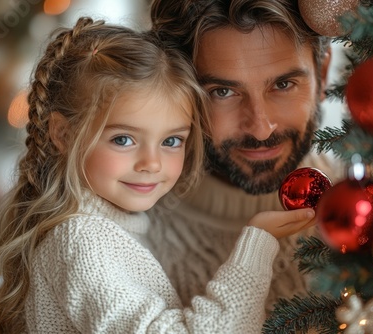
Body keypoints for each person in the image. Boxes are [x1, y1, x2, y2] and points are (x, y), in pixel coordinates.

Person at [0, 17, 316, 333]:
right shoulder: (83, 243)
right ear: (63, 134)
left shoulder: (104, 227)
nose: (152, 163)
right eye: (123, 139)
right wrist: (256, 243)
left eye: (171, 141)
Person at [147, 0, 343, 315]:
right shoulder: (124, 245)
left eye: (283, 84)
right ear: (176, 89)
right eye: (223, 92)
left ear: (322, 71)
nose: (261, 129)